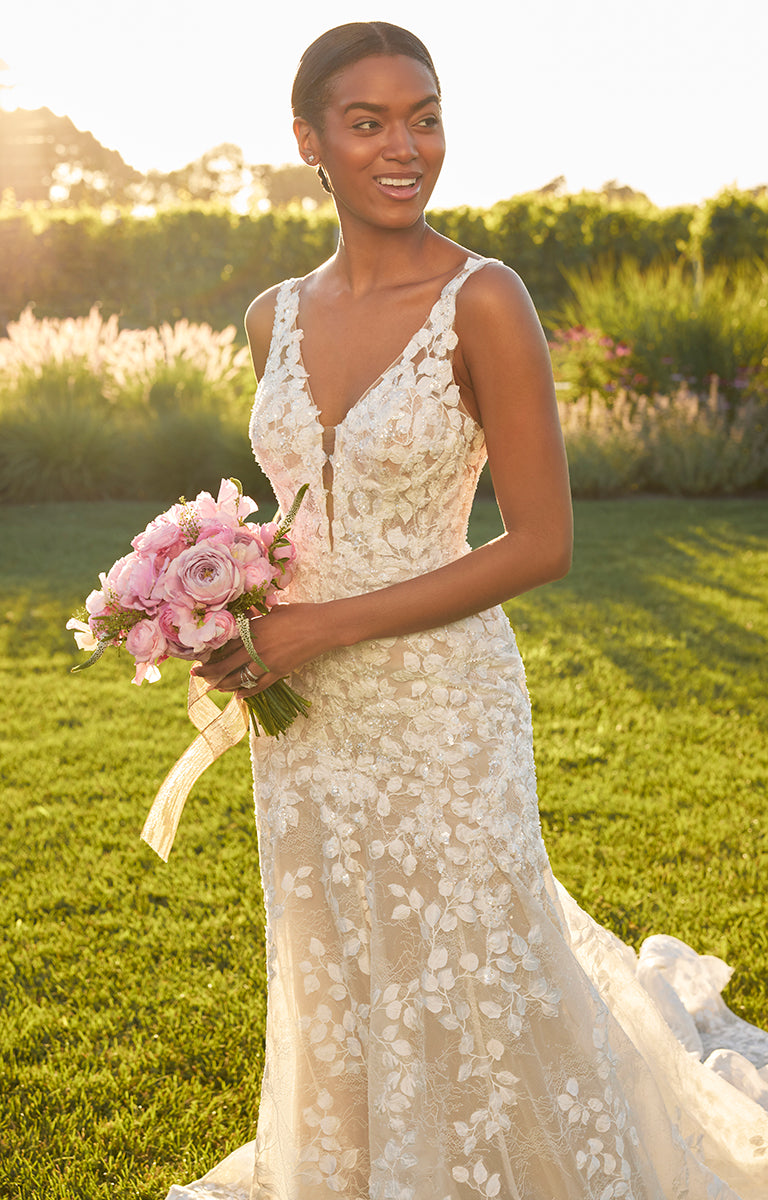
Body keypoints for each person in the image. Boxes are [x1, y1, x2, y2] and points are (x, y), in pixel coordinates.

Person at [168, 21, 768, 1200]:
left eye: (425, 115)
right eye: (369, 121)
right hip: (306, 715)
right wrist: (237, 614)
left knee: (473, 959)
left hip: (445, 698)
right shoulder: (269, 317)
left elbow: (542, 543)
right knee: (337, 958)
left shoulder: (485, 300)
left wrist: (320, 628)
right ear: (310, 143)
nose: (406, 146)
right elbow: (303, 516)